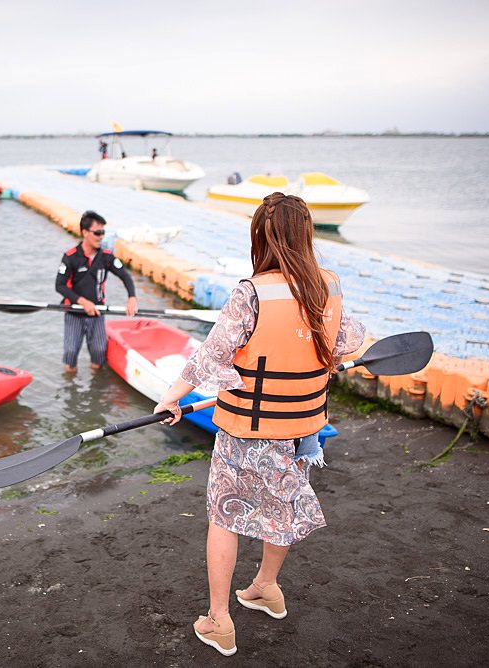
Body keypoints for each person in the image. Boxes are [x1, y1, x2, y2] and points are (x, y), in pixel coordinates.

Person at [153, 192, 366, 656]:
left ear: (260, 237)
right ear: (306, 235)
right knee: (279, 510)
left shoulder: (252, 291)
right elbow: (349, 339)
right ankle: (266, 587)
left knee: (225, 516)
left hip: (247, 429)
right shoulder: (329, 285)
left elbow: (210, 356)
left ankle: (219, 620)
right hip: (302, 428)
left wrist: (169, 399)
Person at [55, 210, 138, 372]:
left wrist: (132, 297)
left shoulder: (106, 257)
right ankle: (71, 383)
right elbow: (60, 285)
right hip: (74, 313)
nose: (101, 237)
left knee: (99, 352)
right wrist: (82, 302)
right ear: (85, 233)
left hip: (97, 313)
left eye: (103, 233)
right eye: (97, 232)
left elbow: (125, 276)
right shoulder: (70, 257)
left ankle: (95, 383)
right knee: (71, 354)